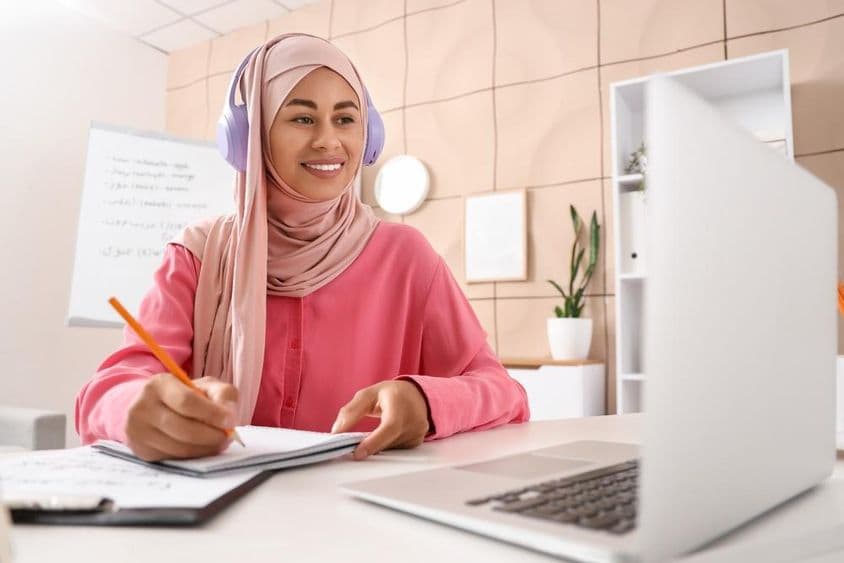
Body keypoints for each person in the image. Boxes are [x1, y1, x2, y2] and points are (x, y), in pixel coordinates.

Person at [75, 33, 528, 462]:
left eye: (346, 119)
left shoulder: (408, 257)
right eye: (302, 117)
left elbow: (504, 392)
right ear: (251, 137)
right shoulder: (196, 256)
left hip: (365, 522)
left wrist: (427, 403)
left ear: (368, 135)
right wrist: (137, 408)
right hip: (229, 524)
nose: (328, 140)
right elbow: (106, 392)